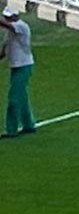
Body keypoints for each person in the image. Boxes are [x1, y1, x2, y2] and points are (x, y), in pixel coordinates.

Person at [2, 9, 37, 138]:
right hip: (17, 66)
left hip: (23, 66)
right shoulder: (11, 31)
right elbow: (5, 50)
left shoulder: (21, 26)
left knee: (14, 99)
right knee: (22, 98)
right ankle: (28, 125)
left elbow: (6, 25)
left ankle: (11, 129)